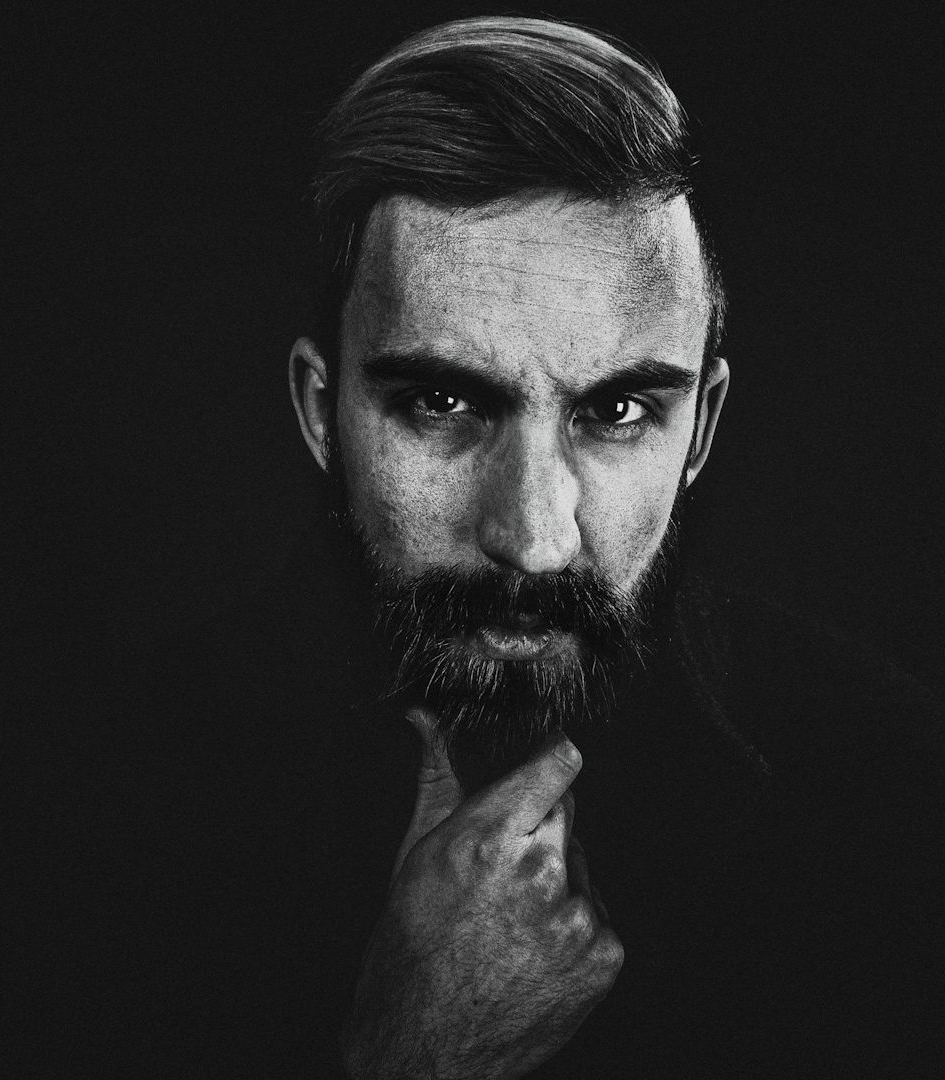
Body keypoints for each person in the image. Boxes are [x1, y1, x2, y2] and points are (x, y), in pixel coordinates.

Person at [271, 15, 945, 1079]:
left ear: (702, 430)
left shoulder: (899, 798)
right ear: (322, 413)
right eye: (442, 402)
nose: (535, 540)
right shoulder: (93, 785)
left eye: (619, 411)